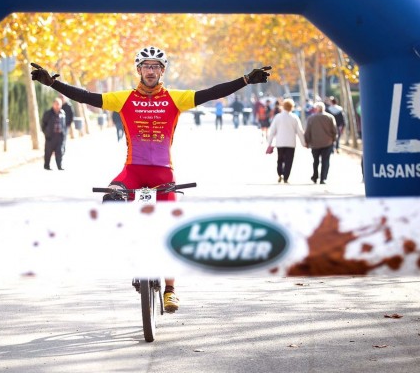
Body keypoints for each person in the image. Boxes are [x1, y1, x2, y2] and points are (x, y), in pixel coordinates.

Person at [31, 46, 271, 313]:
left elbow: (212, 93)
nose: (151, 71)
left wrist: (246, 80)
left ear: (162, 71)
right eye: (146, 66)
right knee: (111, 198)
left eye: (156, 66)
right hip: (132, 171)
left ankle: (170, 290)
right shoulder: (123, 99)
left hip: (163, 174)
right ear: (139, 70)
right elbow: (87, 96)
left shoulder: (176, 98)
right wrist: (53, 83)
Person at [267, 98, 306, 183]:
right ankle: (286, 177)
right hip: (291, 143)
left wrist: (269, 143)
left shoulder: (278, 117)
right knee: (289, 161)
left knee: (280, 159)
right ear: (292, 107)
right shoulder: (294, 117)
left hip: (280, 142)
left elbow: (272, 131)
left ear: (283, 106)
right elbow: (300, 131)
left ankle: (280, 173)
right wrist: (304, 143)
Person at [304, 102, 337, 184]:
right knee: (325, 161)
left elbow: (307, 131)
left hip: (315, 143)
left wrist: (307, 141)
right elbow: (334, 130)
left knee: (315, 161)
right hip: (327, 142)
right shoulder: (330, 117)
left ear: (316, 109)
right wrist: (333, 139)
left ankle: (315, 177)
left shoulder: (311, 118)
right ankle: (323, 178)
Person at [41, 97, 66, 170]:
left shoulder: (63, 113)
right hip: (50, 136)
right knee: (48, 152)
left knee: (59, 152)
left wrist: (63, 134)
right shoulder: (48, 113)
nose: (57, 106)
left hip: (59, 136)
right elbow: (43, 124)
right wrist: (46, 133)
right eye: (56, 104)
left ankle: (59, 166)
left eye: (59, 104)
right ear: (53, 104)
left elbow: (64, 125)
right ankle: (47, 166)